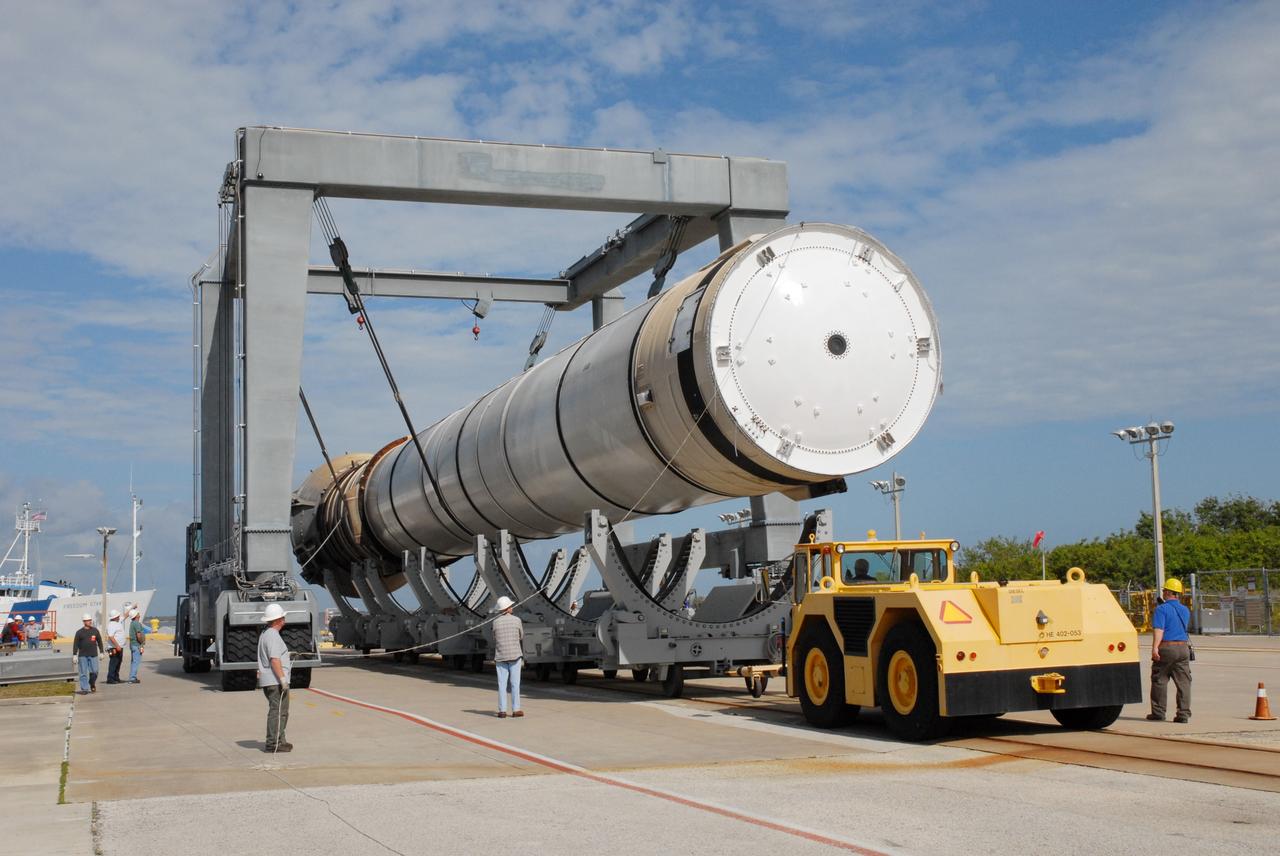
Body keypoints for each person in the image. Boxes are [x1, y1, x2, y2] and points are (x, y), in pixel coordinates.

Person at [1147, 578, 1192, 723]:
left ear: (1167, 592)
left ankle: (1158, 713)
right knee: (1184, 682)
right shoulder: (1185, 610)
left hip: (1167, 647)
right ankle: (1183, 714)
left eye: (1164, 590)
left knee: (1159, 679)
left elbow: (1159, 630)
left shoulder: (1161, 609)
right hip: (1183, 647)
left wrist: (1155, 648)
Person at [257, 603, 293, 752]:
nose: (284, 619)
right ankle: (273, 743)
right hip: (275, 680)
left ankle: (279, 740)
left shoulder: (265, 634)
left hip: (269, 680)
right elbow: (274, 659)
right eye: (282, 617)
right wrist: (283, 680)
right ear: (278, 619)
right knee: (278, 712)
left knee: (279, 711)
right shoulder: (273, 635)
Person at [491, 596, 524, 718]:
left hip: (500, 656)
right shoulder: (517, 620)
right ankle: (516, 710)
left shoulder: (495, 622)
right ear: (507, 608)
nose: (512, 607)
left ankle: (502, 711)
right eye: (511, 606)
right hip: (514, 655)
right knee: (515, 683)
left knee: (502, 684)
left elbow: (494, 637)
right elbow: (521, 635)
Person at [72, 614, 104, 694]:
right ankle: (84, 689)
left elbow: (99, 641)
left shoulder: (95, 631)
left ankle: (92, 683)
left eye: (90, 620)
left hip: (93, 654)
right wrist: (74, 654)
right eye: (88, 620)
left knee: (95, 671)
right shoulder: (79, 632)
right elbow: (75, 644)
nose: (90, 621)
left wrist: (102, 652)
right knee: (83, 673)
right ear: (84, 622)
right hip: (82, 655)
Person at [105, 609, 126, 684]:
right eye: (118, 615)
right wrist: (117, 646)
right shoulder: (111, 625)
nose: (119, 616)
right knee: (113, 662)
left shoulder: (118, 621)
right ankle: (110, 679)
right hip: (114, 647)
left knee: (118, 662)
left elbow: (125, 616)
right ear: (115, 617)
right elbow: (111, 636)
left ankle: (116, 677)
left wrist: (132, 608)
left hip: (119, 647)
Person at [127, 608, 147, 683]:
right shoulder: (137, 624)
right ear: (136, 616)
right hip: (136, 645)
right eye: (138, 613)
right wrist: (141, 643)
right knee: (136, 662)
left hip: (133, 645)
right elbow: (138, 635)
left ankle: (132, 677)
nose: (139, 614)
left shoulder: (132, 623)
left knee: (133, 662)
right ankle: (132, 678)